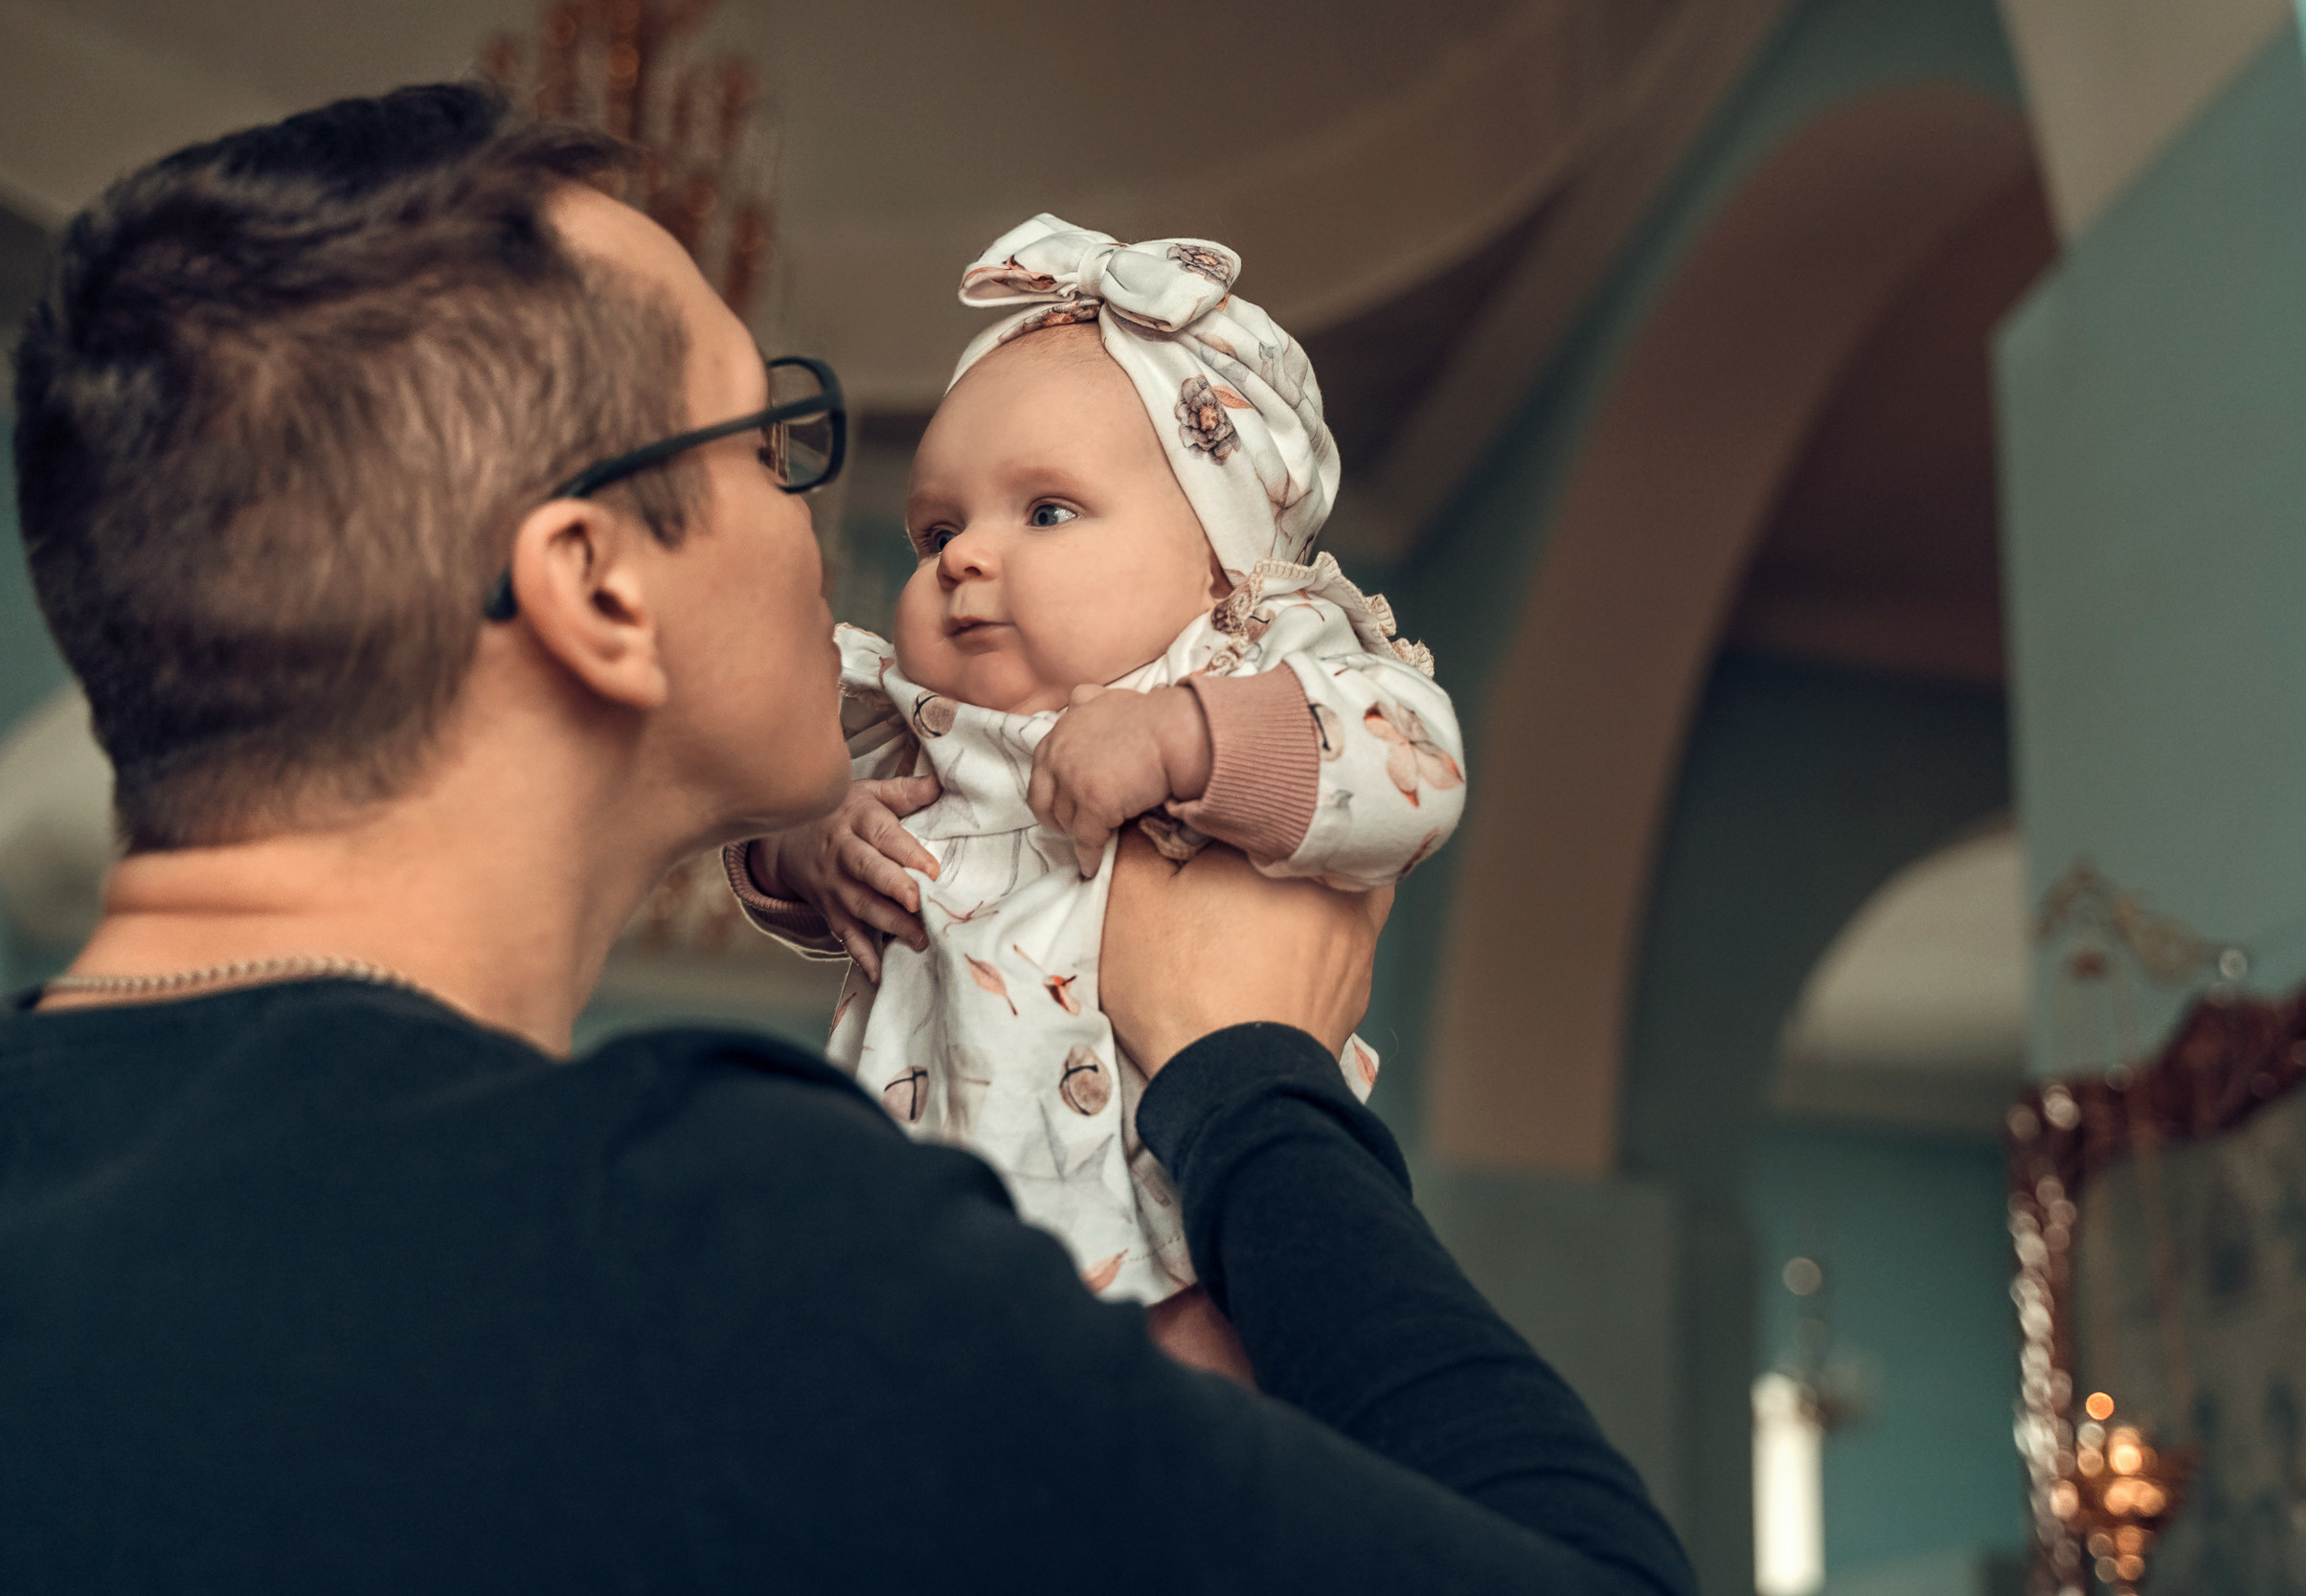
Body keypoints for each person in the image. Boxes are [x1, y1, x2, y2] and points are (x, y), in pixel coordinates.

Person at [0, 83, 1695, 1595]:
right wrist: (1251, 1076)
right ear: (599, 587)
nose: (858, 535)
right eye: (767, 442)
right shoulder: (745, 1250)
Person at [725, 214, 1465, 1340]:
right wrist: (813, 845)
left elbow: (1415, 764)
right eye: (934, 530)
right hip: (910, 1260)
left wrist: (1188, 738)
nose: (964, 556)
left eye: (1048, 512)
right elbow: (766, 793)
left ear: (1219, 563)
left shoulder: (1247, 667)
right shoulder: (917, 729)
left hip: (1181, 1245)